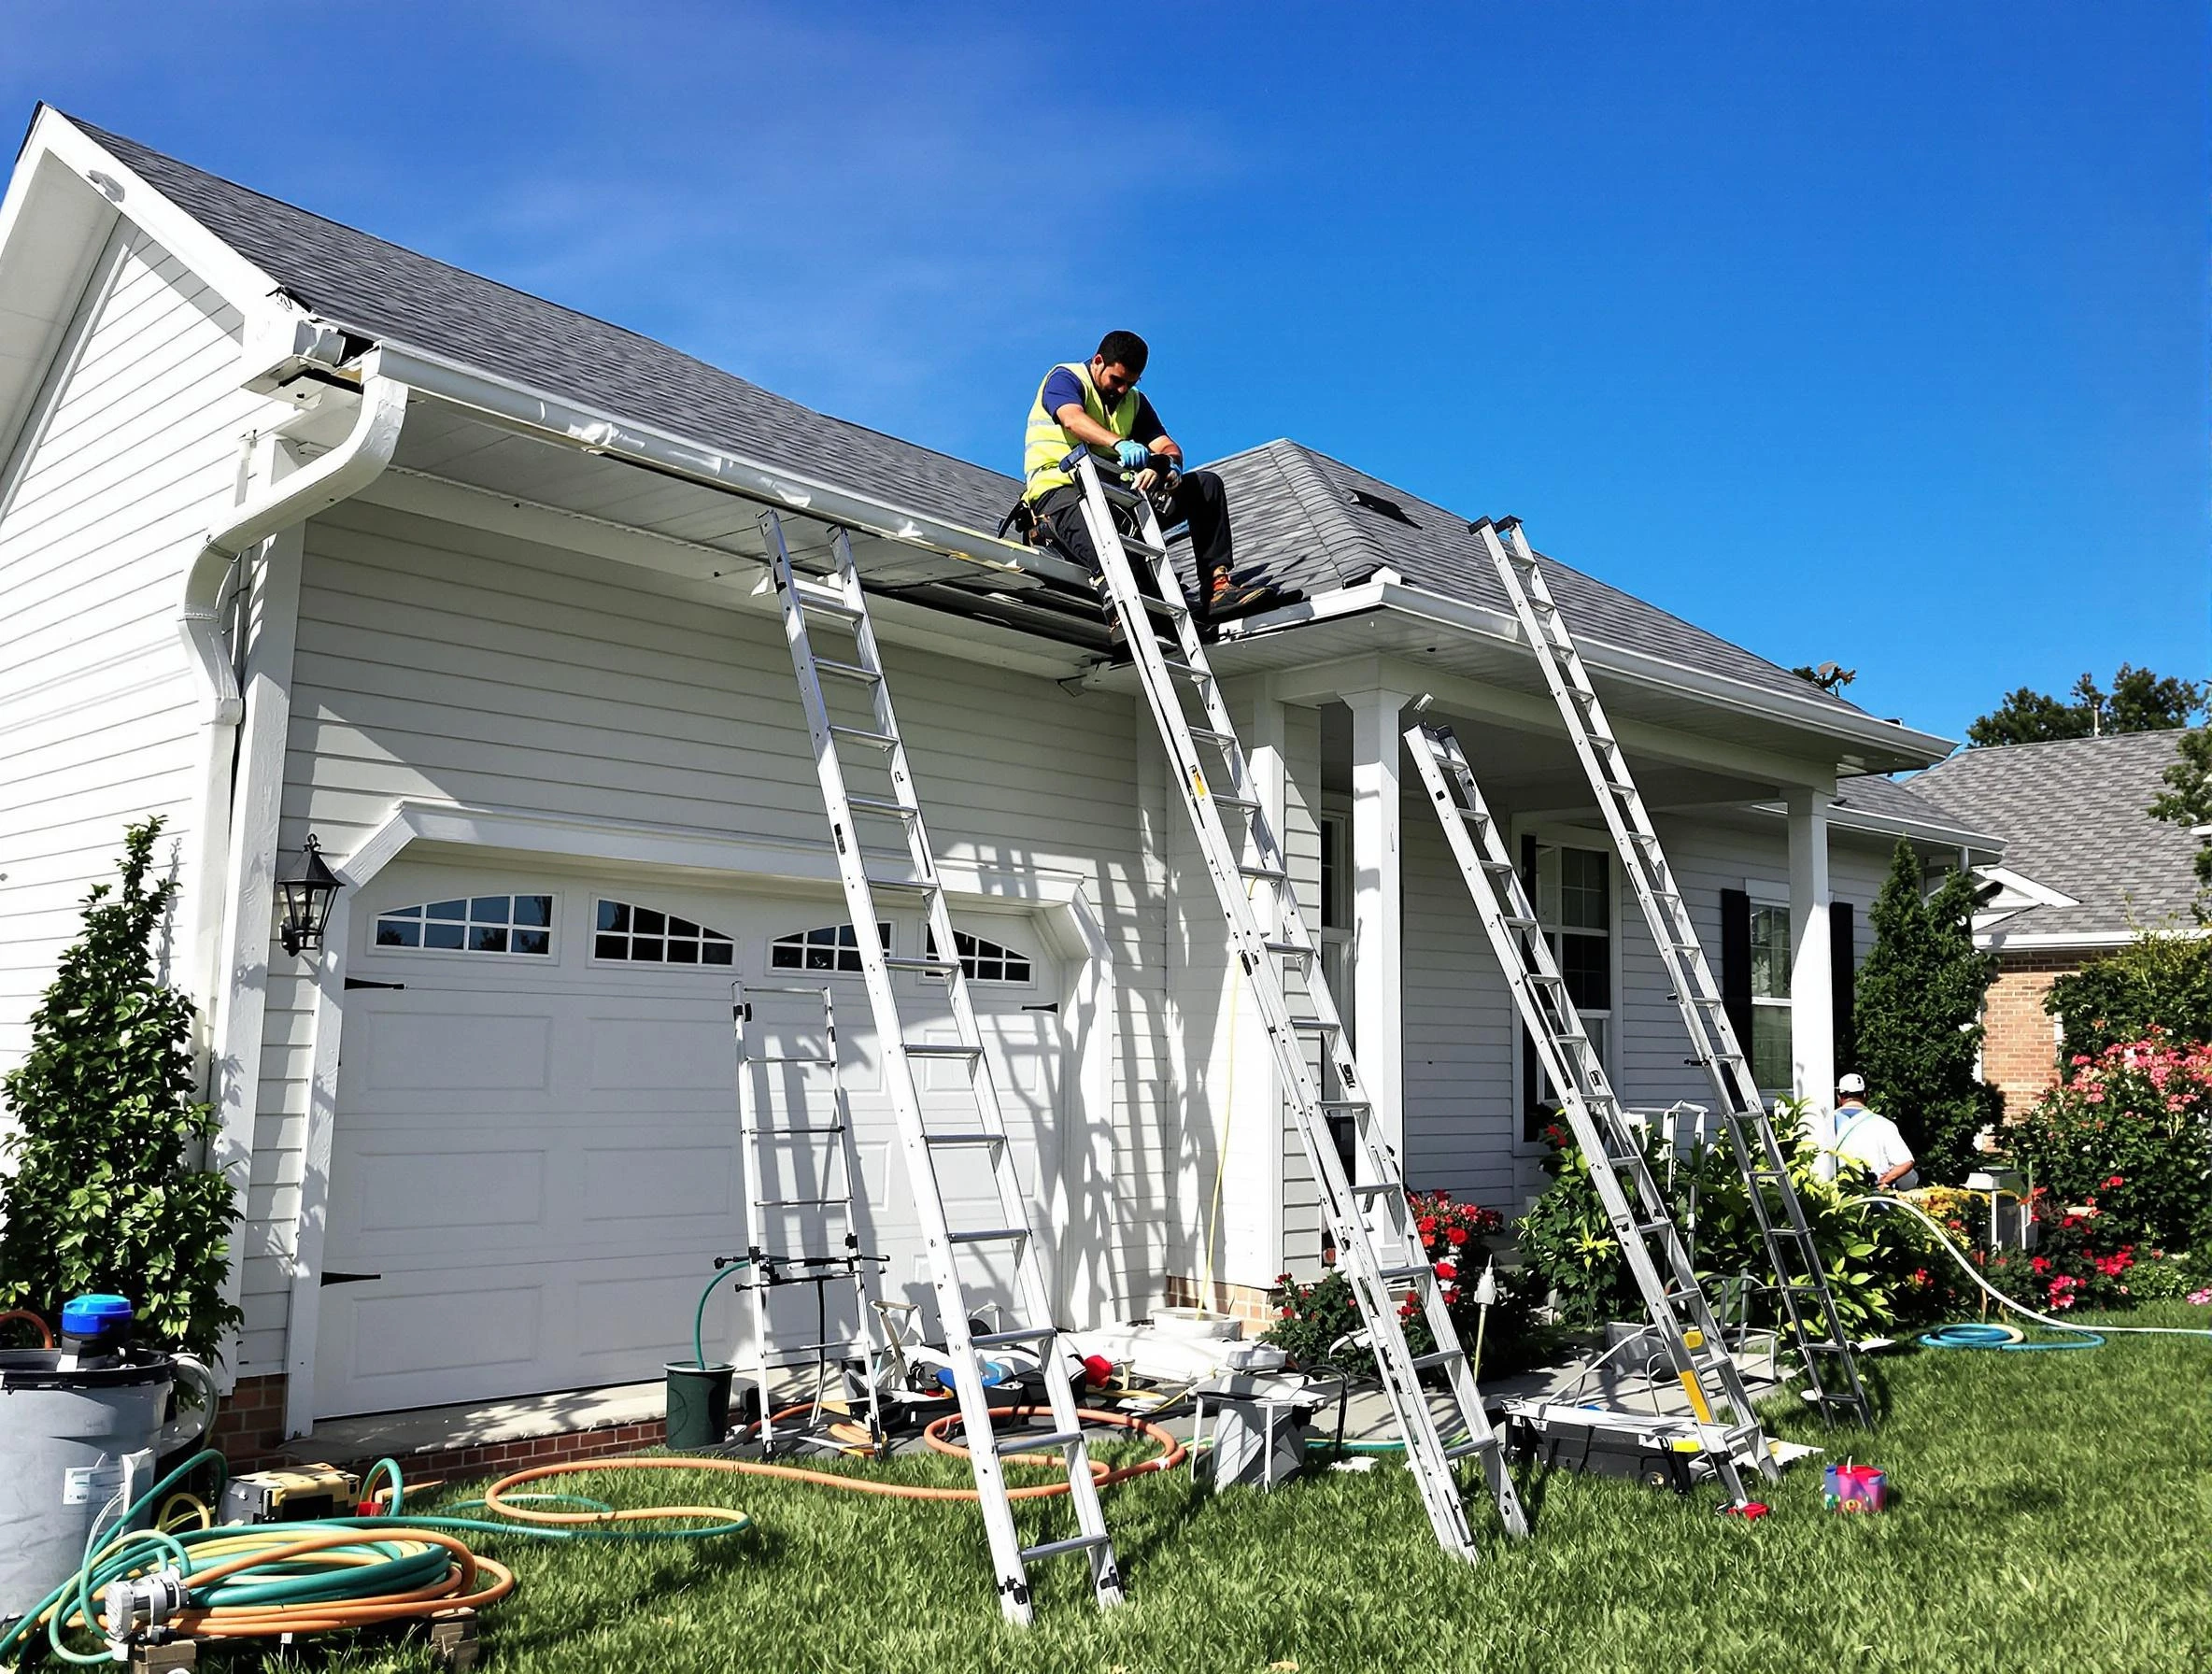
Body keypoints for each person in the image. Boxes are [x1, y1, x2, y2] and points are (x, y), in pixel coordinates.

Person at [1020, 331, 1279, 624]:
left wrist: (1166, 466)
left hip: (1115, 502)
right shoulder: (1066, 378)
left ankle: (1217, 589)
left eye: (1131, 383)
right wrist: (1119, 444)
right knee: (1118, 561)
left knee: (1206, 486)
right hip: (1061, 496)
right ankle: (1118, 609)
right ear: (1098, 361)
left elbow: (1167, 446)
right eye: (1116, 380)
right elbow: (1072, 418)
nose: (1122, 390)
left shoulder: (1134, 401)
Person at [1830, 1072, 1918, 1190]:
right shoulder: (1884, 1125)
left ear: (1839, 1096)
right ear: (1866, 1095)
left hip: (1836, 1198)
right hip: (1873, 1197)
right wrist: (1884, 1181)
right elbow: (1906, 1162)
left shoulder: (1826, 1124)